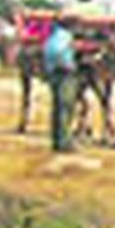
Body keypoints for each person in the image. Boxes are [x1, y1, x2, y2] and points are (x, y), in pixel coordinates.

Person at [44, 18, 78, 152]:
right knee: (66, 107)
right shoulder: (66, 36)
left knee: (57, 107)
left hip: (53, 74)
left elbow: (51, 53)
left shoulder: (51, 37)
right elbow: (60, 51)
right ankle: (65, 142)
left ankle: (56, 140)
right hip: (66, 73)